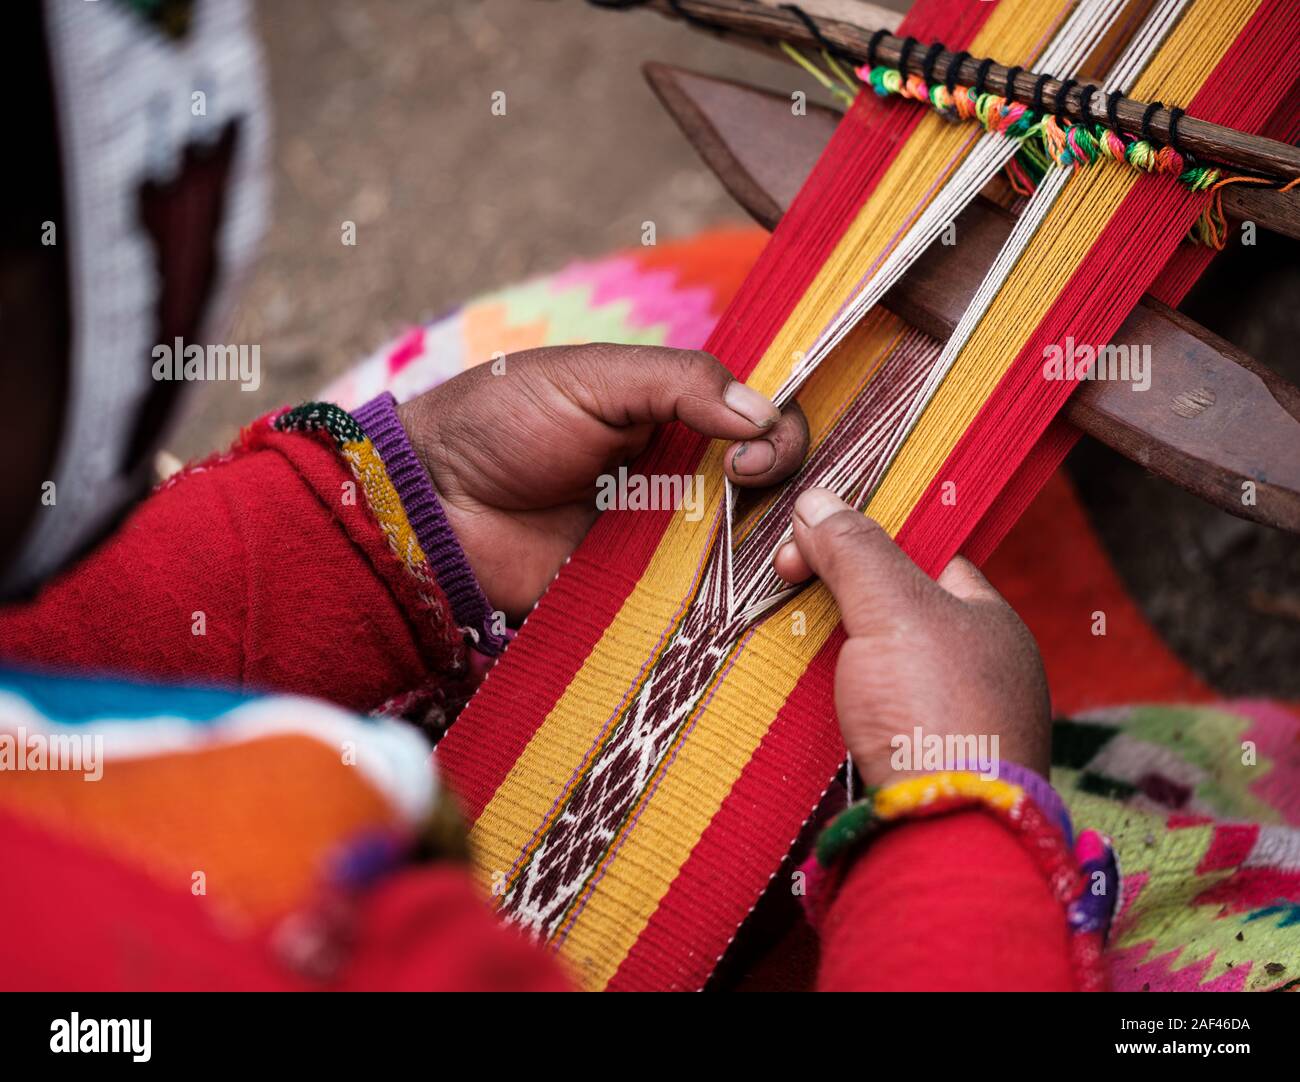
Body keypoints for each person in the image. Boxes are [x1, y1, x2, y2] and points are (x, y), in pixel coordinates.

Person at [0, 0, 1111, 991]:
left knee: (748, 300)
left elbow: (43, 653)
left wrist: (403, 513)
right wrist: (963, 819)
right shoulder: (262, 922)